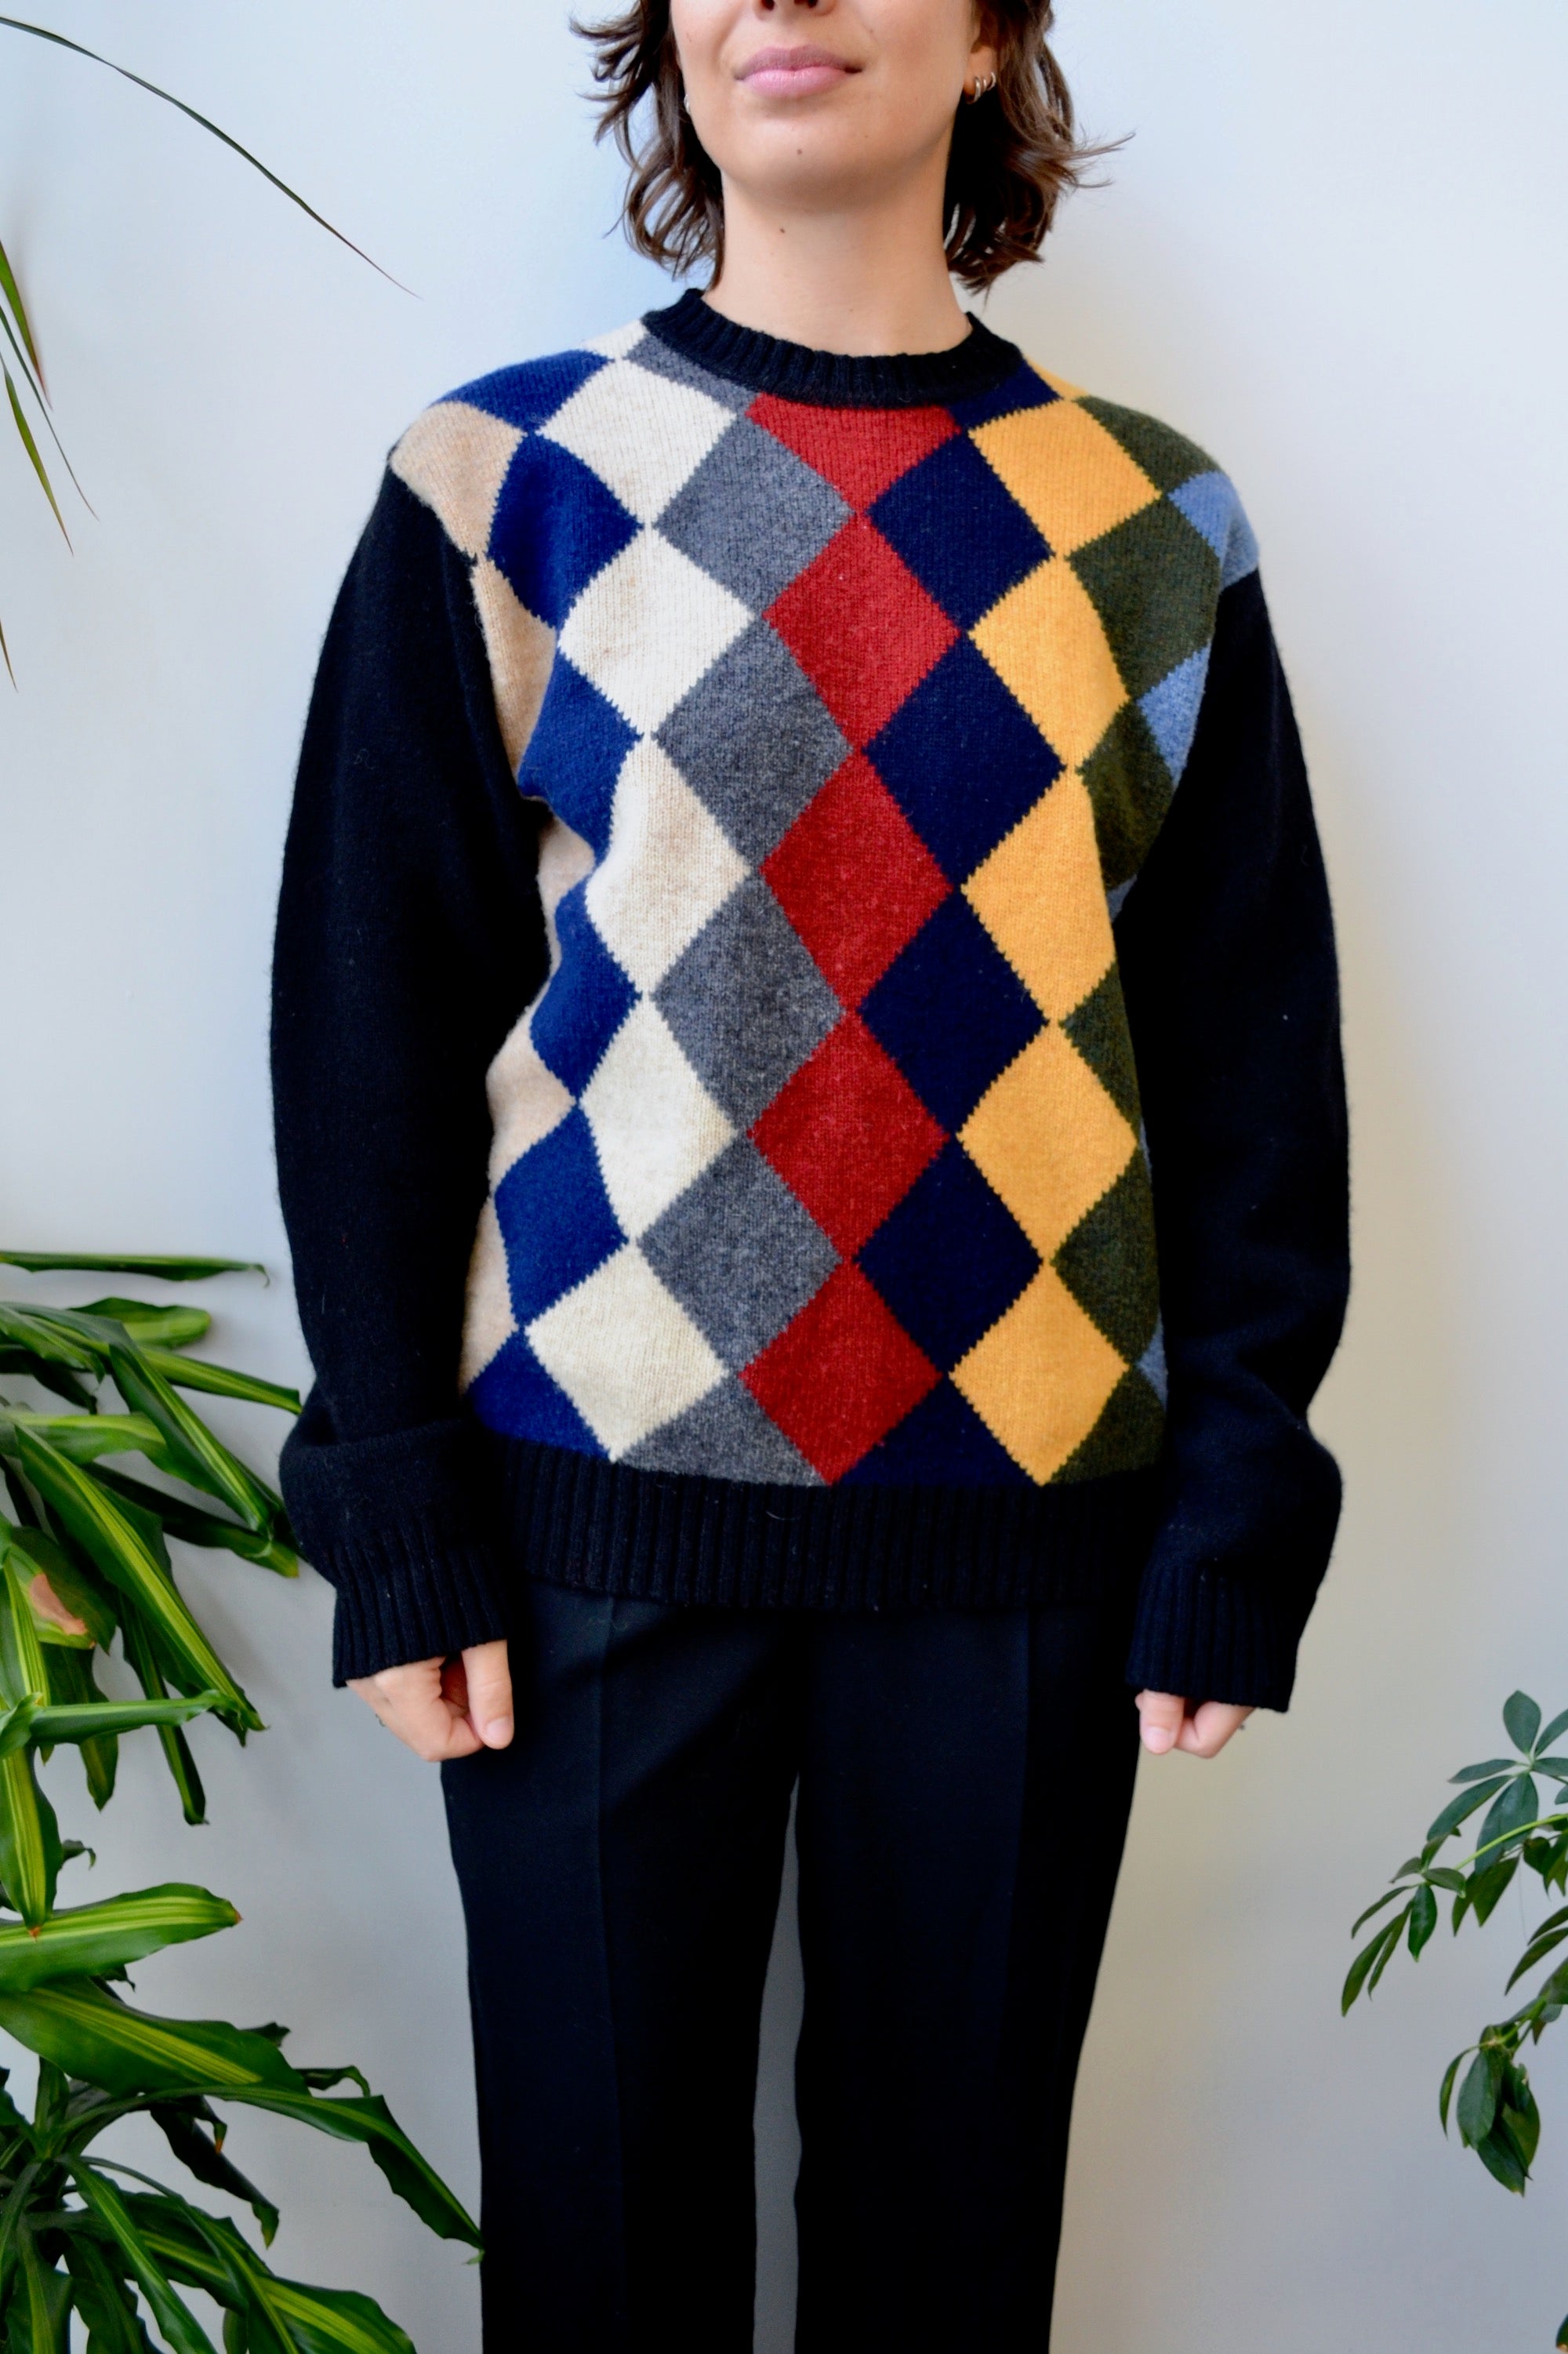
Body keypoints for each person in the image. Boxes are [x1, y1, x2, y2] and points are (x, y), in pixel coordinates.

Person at [270, 0, 1349, 2345]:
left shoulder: (1156, 529)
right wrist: (394, 1503)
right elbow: (368, 1030)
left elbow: (1254, 1065)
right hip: (575, 1544)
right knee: (601, 2276)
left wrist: (1243, 1501)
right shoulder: (504, 481)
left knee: (947, 2277)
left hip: (1030, 1552)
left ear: (989, 39)